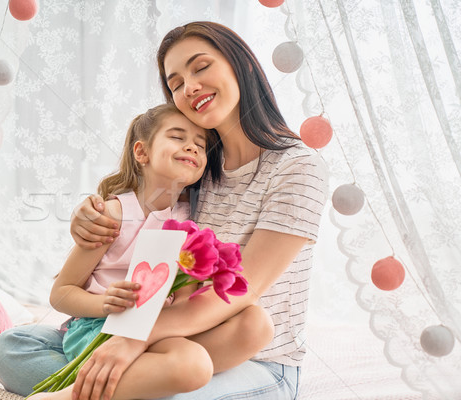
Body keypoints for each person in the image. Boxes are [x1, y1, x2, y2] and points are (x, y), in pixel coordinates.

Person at [68, 21, 329, 400]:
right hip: (176, 342)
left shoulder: (297, 166)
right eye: (175, 83)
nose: (188, 87)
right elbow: (136, 199)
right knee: (17, 348)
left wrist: (132, 336)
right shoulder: (198, 169)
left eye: (201, 67)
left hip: (255, 358)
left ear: (244, 66)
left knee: (171, 388)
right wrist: (89, 210)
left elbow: (244, 289)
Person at [0, 103, 274, 399]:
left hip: (159, 330)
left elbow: (186, 299)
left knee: (234, 338)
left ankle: (101, 389)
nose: (192, 148)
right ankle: (126, 384)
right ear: (142, 153)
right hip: (98, 328)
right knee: (193, 365)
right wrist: (103, 305)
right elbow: (61, 293)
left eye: (200, 145)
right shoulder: (112, 215)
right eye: (178, 137)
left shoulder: (193, 221)